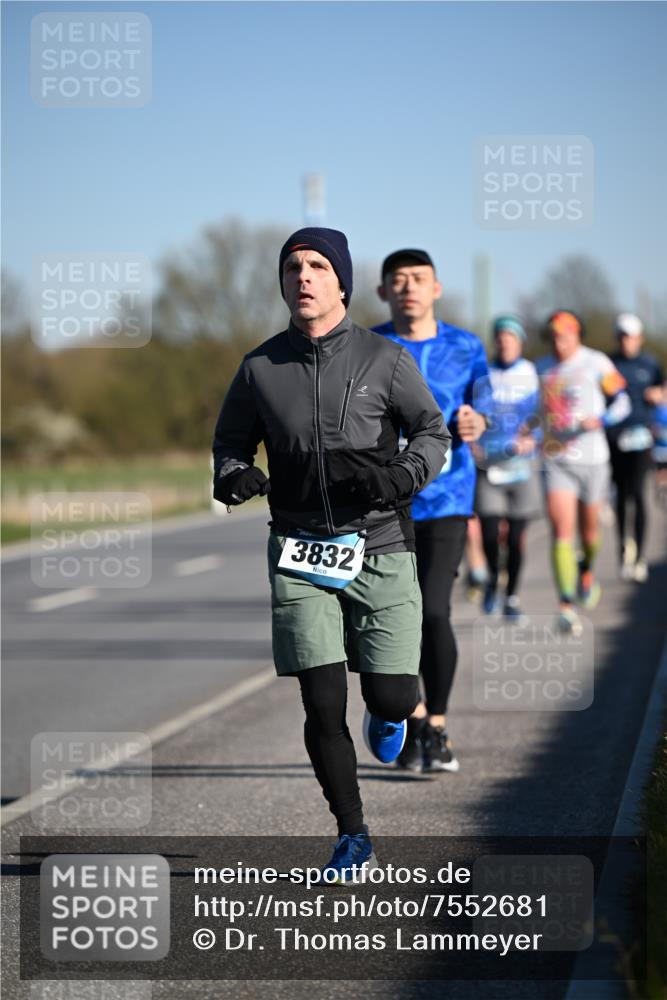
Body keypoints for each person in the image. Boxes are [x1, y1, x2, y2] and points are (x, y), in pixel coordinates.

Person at [212, 228, 449, 882]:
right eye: (292, 267)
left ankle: (391, 706)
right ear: (283, 282)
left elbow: (433, 432)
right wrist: (232, 475)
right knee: (319, 705)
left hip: (378, 545)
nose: (304, 276)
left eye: (318, 266)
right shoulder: (259, 367)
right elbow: (230, 442)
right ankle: (352, 835)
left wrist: (401, 475)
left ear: (341, 281)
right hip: (297, 551)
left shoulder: (384, 358)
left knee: (395, 696)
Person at [373, 248, 488, 774]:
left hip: (448, 498)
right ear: (383, 292)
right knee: (395, 617)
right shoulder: (368, 345)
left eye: (418, 279)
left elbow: (486, 409)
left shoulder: (467, 346)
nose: (408, 288)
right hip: (382, 503)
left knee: (434, 611)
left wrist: (478, 422)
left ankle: (436, 726)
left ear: (436, 288)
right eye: (398, 280)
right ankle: (412, 718)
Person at [536, 310, 630, 635]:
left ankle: (586, 569)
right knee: (562, 530)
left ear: (577, 335)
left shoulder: (596, 363)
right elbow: (534, 413)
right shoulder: (542, 368)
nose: (559, 342)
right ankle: (565, 606)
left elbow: (623, 403)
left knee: (590, 534)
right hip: (556, 459)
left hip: (593, 459)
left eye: (565, 335)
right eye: (553, 336)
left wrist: (599, 420)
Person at [473, 315, 542, 624]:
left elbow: (544, 414)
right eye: (500, 337)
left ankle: (511, 596)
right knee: (488, 534)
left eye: (510, 337)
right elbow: (471, 412)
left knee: (515, 539)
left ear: (520, 342)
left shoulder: (532, 373)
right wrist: (472, 440)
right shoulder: (483, 373)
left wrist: (533, 437)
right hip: (489, 465)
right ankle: (491, 580)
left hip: (521, 466)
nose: (504, 342)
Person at [606, 313, 664, 581]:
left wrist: (658, 395)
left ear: (638, 338)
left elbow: (662, 392)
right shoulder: (609, 364)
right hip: (615, 437)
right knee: (621, 495)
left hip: (642, 436)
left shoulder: (650, 364)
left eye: (629, 336)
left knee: (639, 494)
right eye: (621, 336)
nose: (625, 341)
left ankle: (640, 556)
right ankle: (623, 550)